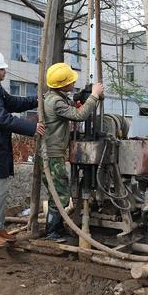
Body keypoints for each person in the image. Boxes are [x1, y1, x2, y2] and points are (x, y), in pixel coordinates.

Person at [0, 49, 45, 247]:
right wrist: (32, 127)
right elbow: (3, 118)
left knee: (1, 191)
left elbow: (13, 102)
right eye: (0, 69)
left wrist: (37, 99)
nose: (4, 71)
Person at [42, 63, 104, 242]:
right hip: (52, 155)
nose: (73, 83)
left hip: (53, 153)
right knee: (60, 194)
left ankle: (58, 229)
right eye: (70, 81)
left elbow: (70, 110)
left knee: (57, 193)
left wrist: (77, 103)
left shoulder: (54, 97)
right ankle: (52, 232)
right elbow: (79, 116)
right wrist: (94, 95)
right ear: (62, 84)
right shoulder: (55, 102)